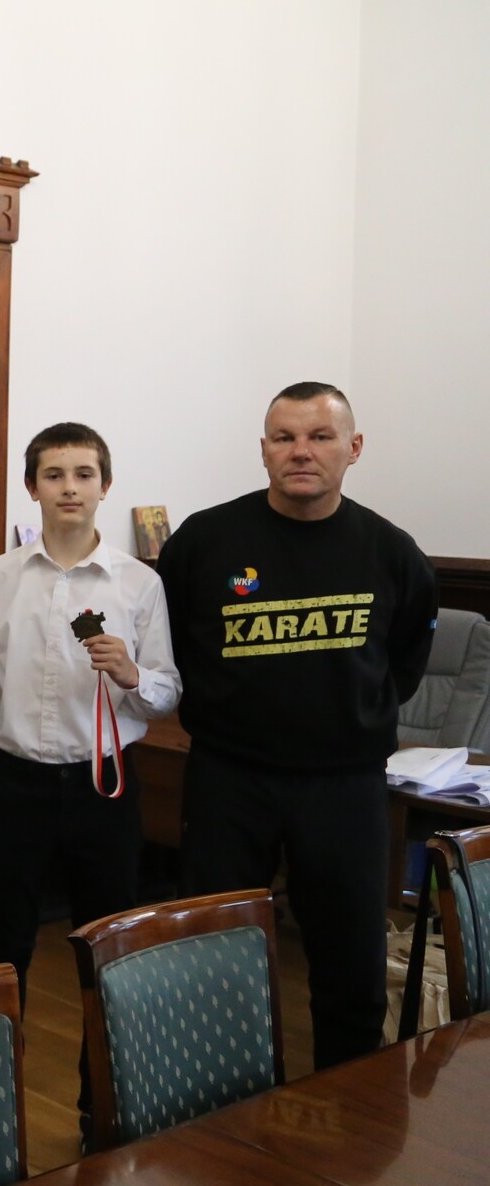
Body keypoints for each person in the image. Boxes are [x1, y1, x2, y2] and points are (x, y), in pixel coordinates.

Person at [158, 382, 436, 1070]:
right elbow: (173, 646)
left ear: (353, 448)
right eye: (284, 438)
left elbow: (404, 663)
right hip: (229, 779)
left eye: (319, 436)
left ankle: (353, 1099)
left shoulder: (392, 552)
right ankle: (218, 1096)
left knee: (351, 962)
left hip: (345, 785)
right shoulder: (204, 541)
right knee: (213, 952)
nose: (301, 452)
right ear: (264, 450)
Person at [0, 422, 180, 1130]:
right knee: (4, 945)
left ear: (105, 485)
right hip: (17, 785)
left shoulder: (139, 583)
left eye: (84, 474)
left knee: (108, 945)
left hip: (104, 786)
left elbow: (166, 692)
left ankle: (105, 1110)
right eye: (54, 474)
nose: (69, 488)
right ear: (31, 487)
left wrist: (131, 674)